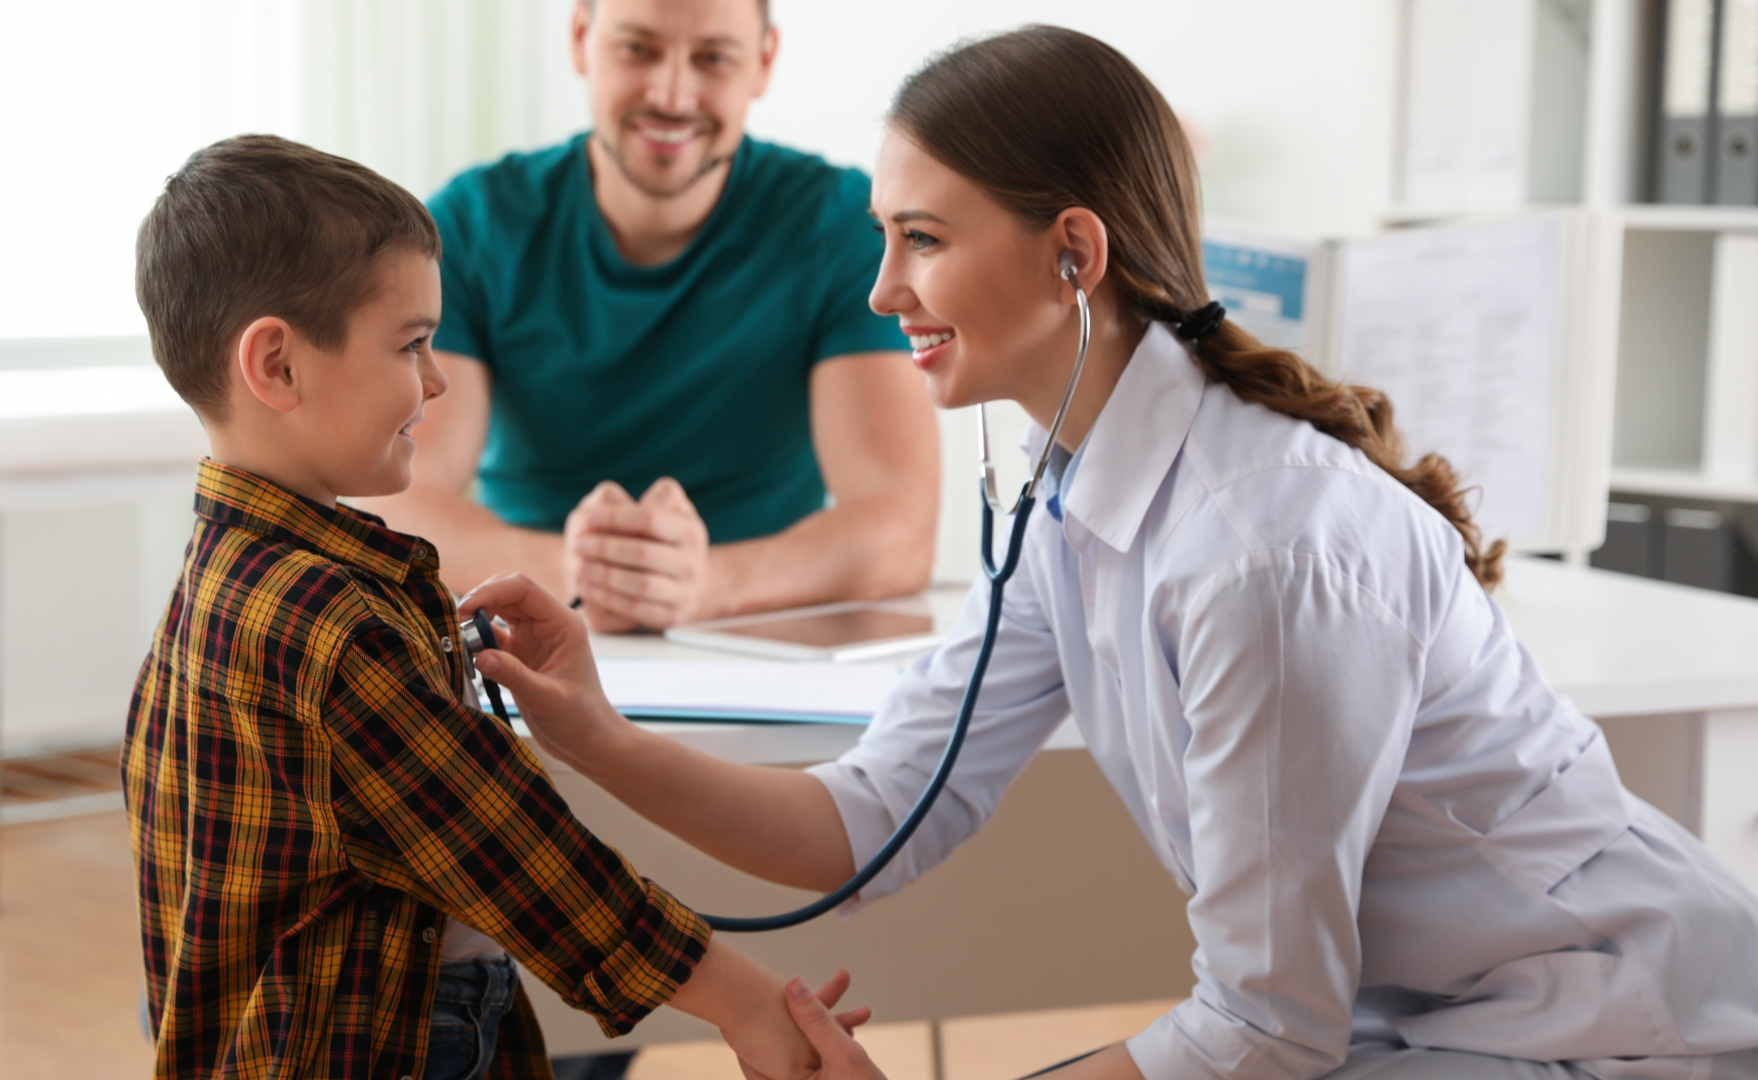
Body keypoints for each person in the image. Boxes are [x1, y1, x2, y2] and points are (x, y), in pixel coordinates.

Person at [462, 27, 1758, 1080]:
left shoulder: (1258, 551)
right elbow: (867, 823)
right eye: (882, 237)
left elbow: (1260, 1029)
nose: (880, 291)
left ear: (1072, 254)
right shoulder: (1070, 497)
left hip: (1604, 1027)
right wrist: (595, 736)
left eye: (922, 239)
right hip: (1416, 1021)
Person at [122, 133, 858, 1080]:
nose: (435, 381)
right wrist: (748, 1002)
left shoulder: (222, 582)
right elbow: (527, 861)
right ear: (277, 366)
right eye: (412, 345)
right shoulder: (336, 630)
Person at [360, 0, 939, 634]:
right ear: (581, 39)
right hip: (526, 629)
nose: (671, 94)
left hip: (752, 636)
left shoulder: (840, 224)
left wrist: (705, 585)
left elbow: (899, 528)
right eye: (638, 48)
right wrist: (581, 574)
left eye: (713, 58)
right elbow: (396, 497)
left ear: (763, 62)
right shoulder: (477, 224)